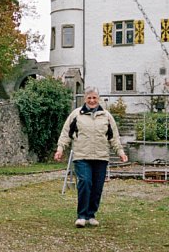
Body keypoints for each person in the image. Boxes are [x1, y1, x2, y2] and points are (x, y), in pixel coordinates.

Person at [53, 88, 128, 228]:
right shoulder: (76, 115)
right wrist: (60, 149)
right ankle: (81, 216)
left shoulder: (106, 116)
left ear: (98, 99)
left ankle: (91, 214)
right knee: (85, 183)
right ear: (85, 99)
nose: (92, 101)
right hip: (82, 156)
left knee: (97, 187)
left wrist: (121, 152)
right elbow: (65, 133)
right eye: (89, 98)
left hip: (101, 157)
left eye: (94, 98)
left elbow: (114, 137)